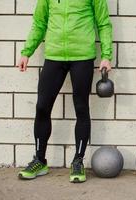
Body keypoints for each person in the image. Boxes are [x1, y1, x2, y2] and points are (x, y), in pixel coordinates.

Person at [16, 0, 112, 183]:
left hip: (82, 56)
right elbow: (39, 22)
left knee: (81, 108)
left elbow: (103, 23)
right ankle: (39, 160)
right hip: (54, 56)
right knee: (42, 107)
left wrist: (107, 55)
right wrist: (26, 52)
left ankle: (78, 160)